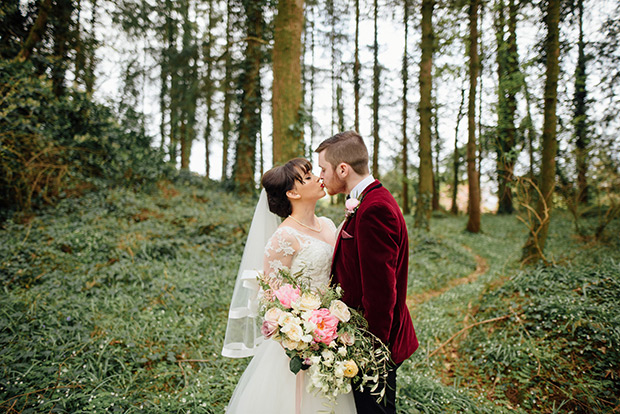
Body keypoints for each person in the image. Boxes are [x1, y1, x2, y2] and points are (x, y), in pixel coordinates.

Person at [223, 158, 357, 413]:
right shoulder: (284, 237)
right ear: (293, 193)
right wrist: (299, 332)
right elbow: (268, 296)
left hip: (333, 334)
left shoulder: (328, 224)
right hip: (300, 344)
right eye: (307, 177)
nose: (318, 177)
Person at [316, 131, 419, 414]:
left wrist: (371, 354)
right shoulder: (369, 200)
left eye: (323, 169)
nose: (320, 176)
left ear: (343, 169)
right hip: (363, 338)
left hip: (374, 345)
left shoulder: (375, 209)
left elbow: (381, 292)